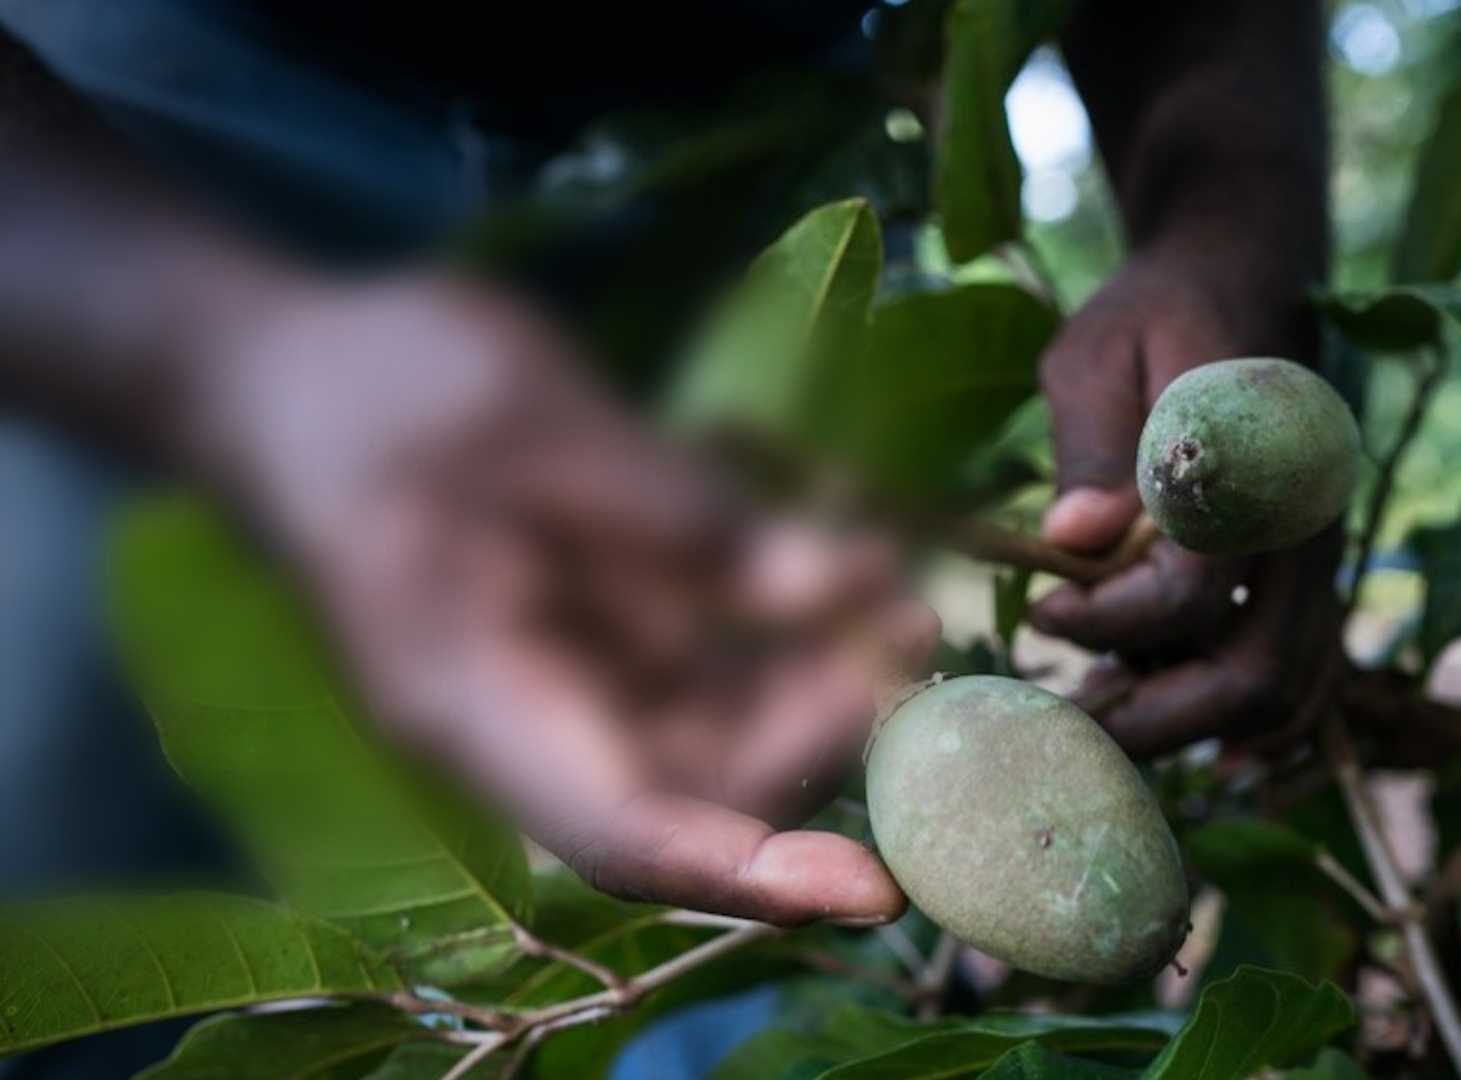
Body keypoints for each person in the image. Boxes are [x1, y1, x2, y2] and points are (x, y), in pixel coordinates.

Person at [0, 0, 1329, 1072]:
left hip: (734, 154)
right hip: (123, 147)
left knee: (727, 845)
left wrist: (1227, 226)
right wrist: (233, 360)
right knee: (64, 814)